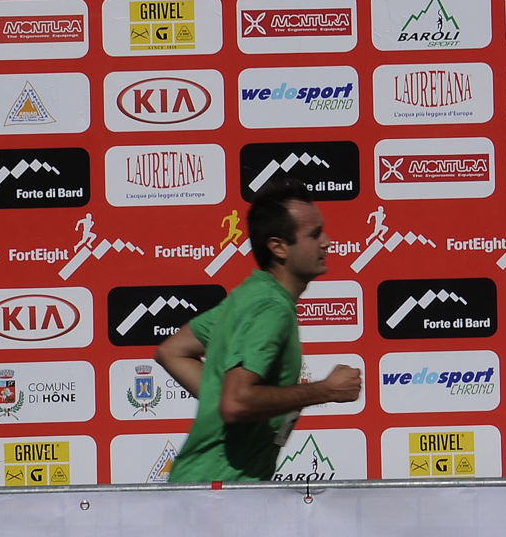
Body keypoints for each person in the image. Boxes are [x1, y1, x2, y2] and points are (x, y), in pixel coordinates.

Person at [155, 181, 362, 483]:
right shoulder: (270, 308)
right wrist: (326, 390)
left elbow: (172, 351)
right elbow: (236, 403)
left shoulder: (250, 295)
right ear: (279, 247)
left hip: (204, 488)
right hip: (219, 492)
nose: (327, 242)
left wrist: (219, 399)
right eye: (314, 234)